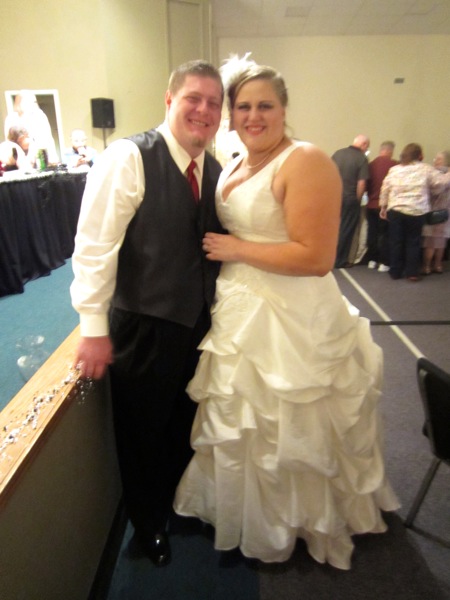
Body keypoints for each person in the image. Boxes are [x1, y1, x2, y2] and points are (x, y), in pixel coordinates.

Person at [173, 57, 399, 570]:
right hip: (239, 309)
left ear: (284, 109)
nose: (254, 116)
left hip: (292, 315)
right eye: (243, 107)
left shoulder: (305, 160)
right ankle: (244, 513)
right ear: (232, 115)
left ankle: (298, 521)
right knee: (242, 421)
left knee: (292, 418)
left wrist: (236, 249)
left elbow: (317, 258)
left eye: (265, 106)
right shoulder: (236, 161)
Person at [70, 60, 224, 567]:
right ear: (169, 99)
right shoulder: (128, 157)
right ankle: (147, 524)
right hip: (144, 323)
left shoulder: (214, 169)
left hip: (198, 324)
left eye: (214, 103)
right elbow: (94, 246)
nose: (204, 110)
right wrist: (93, 328)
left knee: (183, 422)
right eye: (193, 98)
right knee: (142, 433)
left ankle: (178, 504)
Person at [379, 143, 450, 281]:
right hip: (417, 210)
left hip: (396, 209)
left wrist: (383, 206)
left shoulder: (394, 169)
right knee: (413, 242)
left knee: (396, 241)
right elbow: (440, 183)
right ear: (420, 155)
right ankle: (411, 272)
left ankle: (395, 271)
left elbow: (385, 188)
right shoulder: (425, 169)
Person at [332, 134, 370, 268]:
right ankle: (340, 260)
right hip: (350, 199)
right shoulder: (361, 158)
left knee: (333, 228)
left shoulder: (337, 154)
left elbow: (329, 174)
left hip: (334, 197)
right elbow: (361, 183)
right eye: (367, 147)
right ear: (364, 145)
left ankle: (328, 257)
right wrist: (358, 200)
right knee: (346, 229)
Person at [365, 141, 398, 271]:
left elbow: (366, 185)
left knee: (372, 233)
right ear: (390, 151)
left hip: (371, 204)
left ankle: (372, 260)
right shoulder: (395, 165)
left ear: (381, 150)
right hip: (386, 206)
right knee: (386, 234)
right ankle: (384, 262)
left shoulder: (370, 165)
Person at [4, 90, 59, 164]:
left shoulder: (40, 115)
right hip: (19, 157)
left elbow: (48, 138)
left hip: (38, 155)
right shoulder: (12, 118)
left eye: (34, 102)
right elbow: (10, 142)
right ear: (20, 103)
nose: (33, 104)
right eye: (28, 101)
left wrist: (53, 156)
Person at [421, 150, 450, 274]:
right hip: (447, 212)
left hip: (434, 211)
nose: (435, 161)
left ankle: (427, 266)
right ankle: (438, 265)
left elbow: (435, 190)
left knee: (430, 242)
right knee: (442, 241)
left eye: (438, 159)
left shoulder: (435, 174)